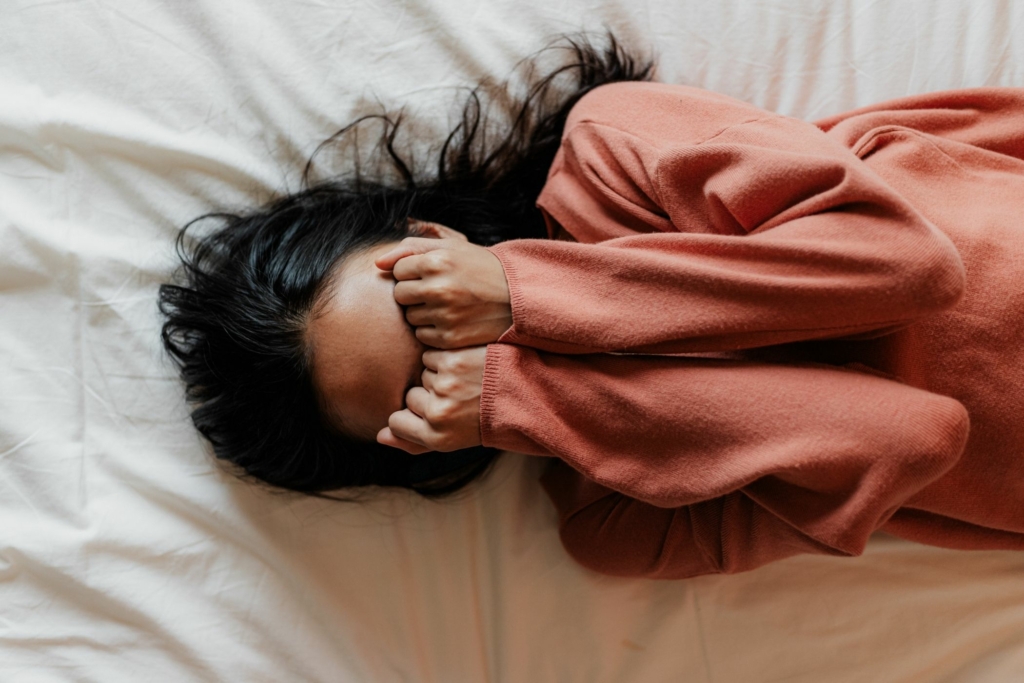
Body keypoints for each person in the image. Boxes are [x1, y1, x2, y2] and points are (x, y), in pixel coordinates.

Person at [160, 33, 1024, 579]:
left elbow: (907, 265)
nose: (464, 347)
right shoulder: (619, 521)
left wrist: (528, 295)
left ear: (424, 234)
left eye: (421, 304)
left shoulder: (613, 155)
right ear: (427, 442)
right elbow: (913, 436)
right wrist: (535, 392)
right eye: (434, 379)